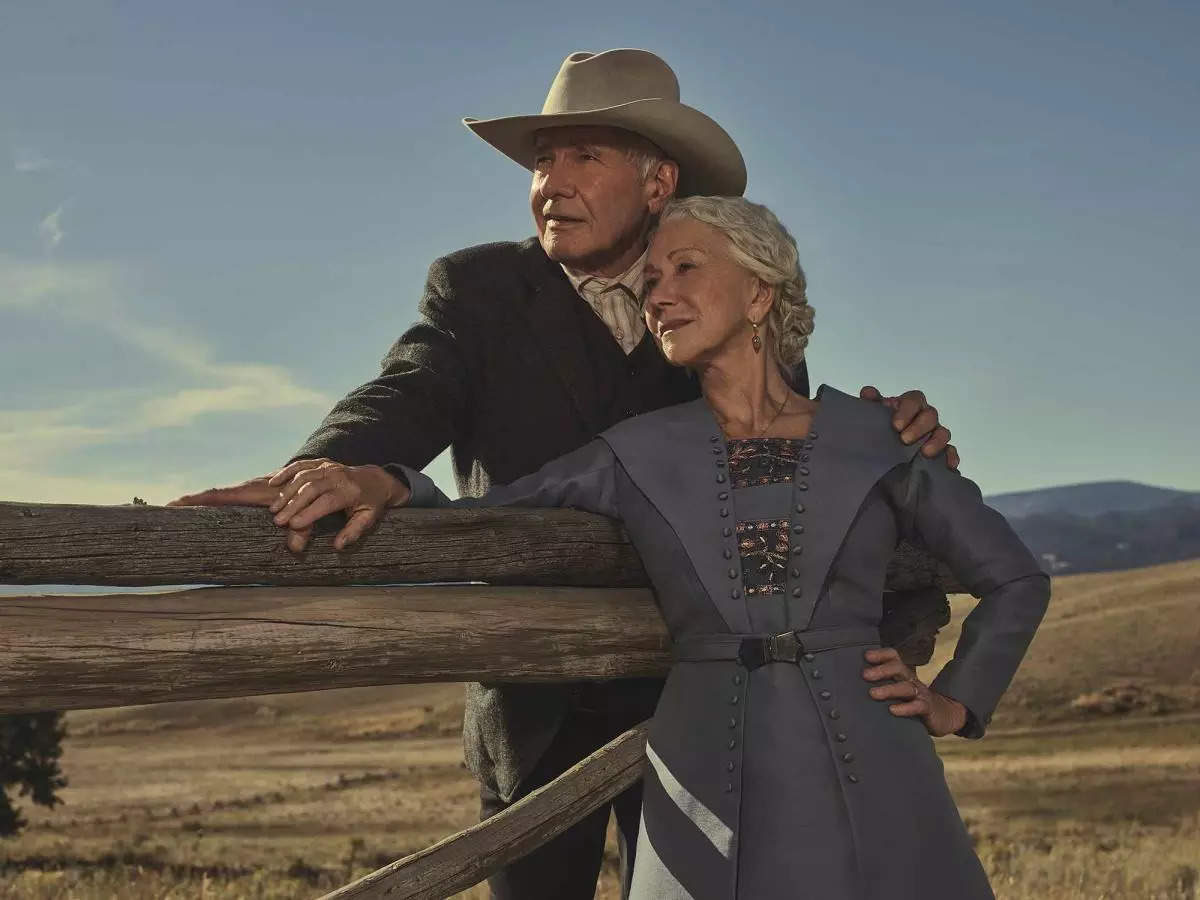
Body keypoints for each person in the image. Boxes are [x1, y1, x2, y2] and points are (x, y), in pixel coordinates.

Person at [170, 50, 966, 900]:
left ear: (659, 184)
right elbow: (413, 384)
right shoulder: (480, 288)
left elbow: (786, 475)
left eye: (585, 156)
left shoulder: (723, 299)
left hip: (703, 703)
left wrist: (888, 451)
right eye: (543, 159)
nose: (552, 181)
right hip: (532, 704)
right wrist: (342, 459)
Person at [286, 194, 1049, 899]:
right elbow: (485, 518)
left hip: (874, 755)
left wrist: (957, 700)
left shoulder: (876, 437)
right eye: (651, 279)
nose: (659, 293)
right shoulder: (630, 452)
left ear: (760, 294)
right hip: (700, 762)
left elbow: (1014, 577)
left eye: (687, 267)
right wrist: (387, 481)